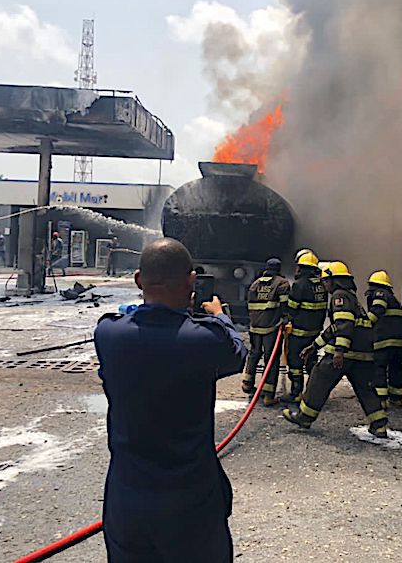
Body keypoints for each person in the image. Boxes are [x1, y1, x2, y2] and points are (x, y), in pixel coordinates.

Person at [94, 238, 247, 563]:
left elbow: (134, 328)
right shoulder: (206, 339)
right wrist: (220, 316)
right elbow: (238, 355)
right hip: (190, 503)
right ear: (191, 281)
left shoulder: (108, 335)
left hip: (127, 502)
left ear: (138, 281)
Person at [282, 261, 389, 438]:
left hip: (345, 352)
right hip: (363, 354)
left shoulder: (339, 296)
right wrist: (314, 345)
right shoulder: (351, 297)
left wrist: (339, 350)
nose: (324, 285)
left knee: (319, 378)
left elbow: (343, 325)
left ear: (333, 280)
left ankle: (305, 417)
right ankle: (379, 424)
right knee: (365, 388)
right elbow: (334, 328)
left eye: (326, 281)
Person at [242, 257, 290, 406]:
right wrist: (285, 319)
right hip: (271, 327)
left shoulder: (255, 284)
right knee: (271, 360)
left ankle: (247, 384)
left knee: (254, 353)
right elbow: (285, 306)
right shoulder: (281, 284)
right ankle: (268, 395)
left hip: (255, 326)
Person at [282, 250, 328, 404]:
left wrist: (286, 319)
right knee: (311, 361)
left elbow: (292, 309)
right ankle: (314, 392)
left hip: (299, 332)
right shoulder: (321, 285)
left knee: (295, 362)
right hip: (315, 332)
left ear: (301, 268)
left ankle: (296, 393)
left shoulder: (299, 285)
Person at [366, 270, 402, 408]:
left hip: (385, 340)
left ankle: (381, 400)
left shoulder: (380, 294)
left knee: (379, 367)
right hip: (401, 340)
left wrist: (365, 324)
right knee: (396, 367)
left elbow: (378, 309)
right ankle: (396, 398)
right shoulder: (393, 299)